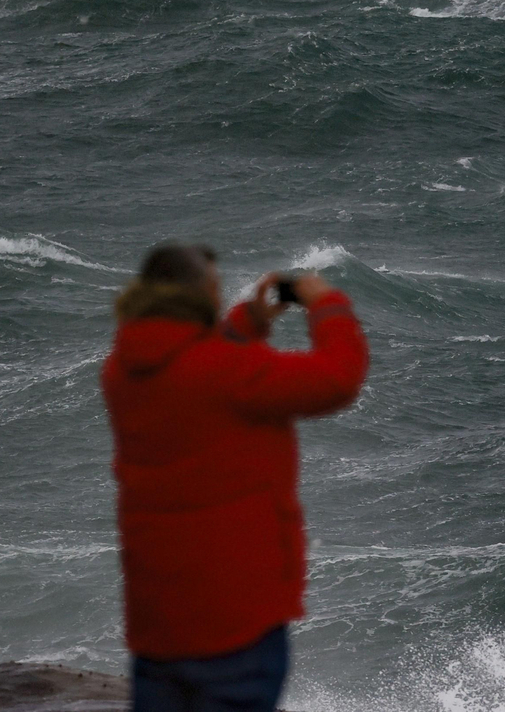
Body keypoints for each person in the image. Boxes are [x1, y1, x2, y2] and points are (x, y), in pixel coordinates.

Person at [101, 243, 370, 712]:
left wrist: (248, 323)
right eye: (215, 287)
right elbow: (338, 378)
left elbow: (189, 362)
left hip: (158, 624)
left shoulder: (122, 372)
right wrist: (326, 304)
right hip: (233, 624)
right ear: (201, 294)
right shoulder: (229, 374)